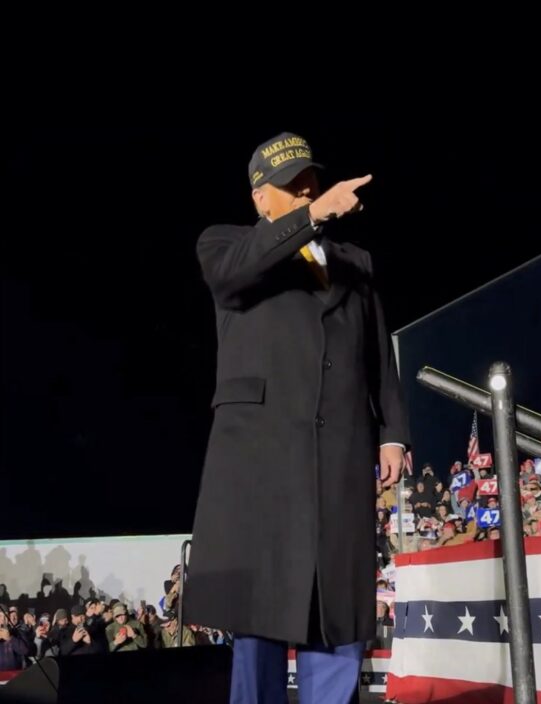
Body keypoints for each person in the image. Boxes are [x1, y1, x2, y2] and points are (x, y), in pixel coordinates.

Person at [185, 131, 410, 703]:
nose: (307, 189)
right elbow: (237, 274)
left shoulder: (354, 262)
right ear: (261, 198)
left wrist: (392, 435)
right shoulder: (227, 246)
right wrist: (312, 215)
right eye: (291, 185)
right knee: (260, 617)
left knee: (336, 612)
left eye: (310, 178)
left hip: (339, 458)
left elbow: (376, 353)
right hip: (260, 464)